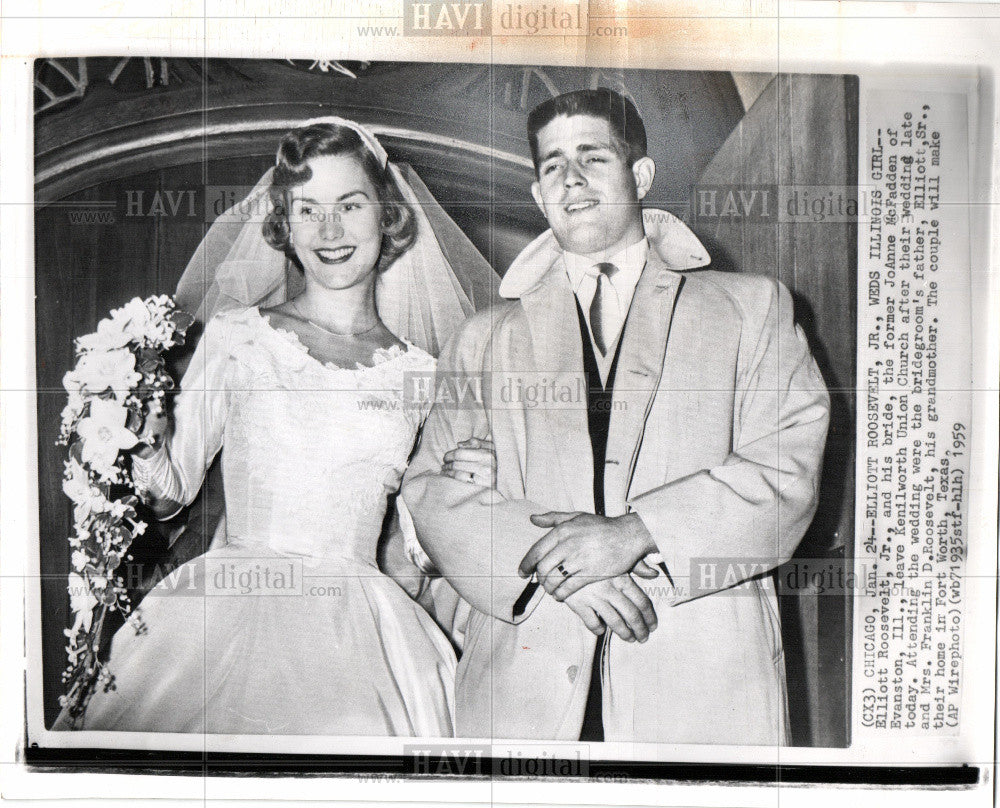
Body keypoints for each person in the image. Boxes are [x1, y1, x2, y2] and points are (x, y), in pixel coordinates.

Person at [401, 88, 831, 744]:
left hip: (699, 685)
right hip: (525, 681)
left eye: (592, 157)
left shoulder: (751, 310)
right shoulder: (482, 337)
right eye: (552, 166)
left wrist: (634, 534)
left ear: (641, 175)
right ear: (539, 195)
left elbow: (788, 465)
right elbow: (431, 492)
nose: (570, 179)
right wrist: (554, 567)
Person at [55, 119, 498, 736]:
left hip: (364, 628)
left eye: (350, 204)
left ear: (386, 214)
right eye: (307, 209)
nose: (331, 230)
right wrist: (146, 439)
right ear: (284, 224)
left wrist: (461, 491)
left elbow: (408, 553)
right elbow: (170, 493)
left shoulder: (424, 377)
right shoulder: (238, 336)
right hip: (224, 607)